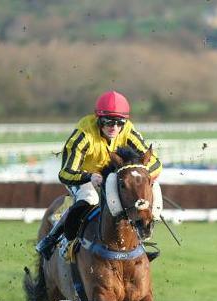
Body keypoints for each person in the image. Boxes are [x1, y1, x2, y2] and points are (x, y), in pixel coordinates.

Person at [35, 90, 162, 258]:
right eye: (108, 122)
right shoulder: (83, 135)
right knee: (90, 198)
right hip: (83, 177)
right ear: (98, 119)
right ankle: (53, 238)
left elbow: (155, 163)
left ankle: (140, 241)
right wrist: (89, 177)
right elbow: (65, 173)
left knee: (140, 194)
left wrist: (141, 177)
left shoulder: (128, 131)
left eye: (119, 122)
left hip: (113, 176)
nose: (114, 127)